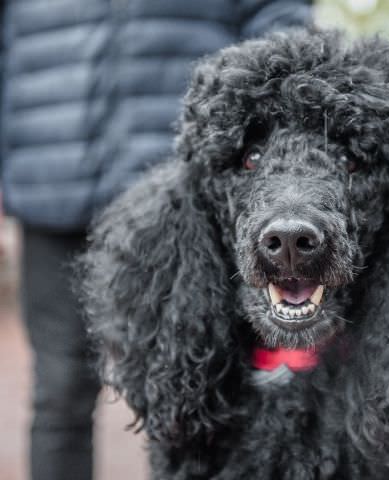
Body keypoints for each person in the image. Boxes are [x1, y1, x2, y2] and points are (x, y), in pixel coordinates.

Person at [0, 1, 313, 479]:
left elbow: (278, 20)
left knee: (198, 387)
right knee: (58, 390)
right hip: (49, 179)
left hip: (185, 196)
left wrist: (252, 139)